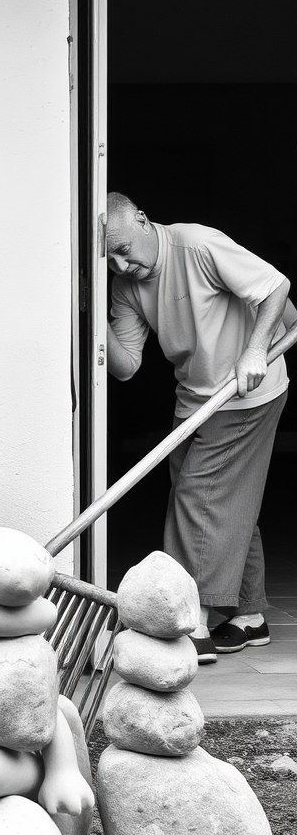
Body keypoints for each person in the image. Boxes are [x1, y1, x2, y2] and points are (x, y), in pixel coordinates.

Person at [105, 191, 294, 665]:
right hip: (195, 399)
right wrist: (85, 314)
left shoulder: (197, 246)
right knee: (229, 500)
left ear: (144, 221)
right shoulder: (125, 286)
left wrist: (254, 349)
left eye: (124, 249)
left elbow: (276, 286)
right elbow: (126, 365)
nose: (122, 265)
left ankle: (191, 623)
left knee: (199, 497)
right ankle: (249, 617)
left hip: (246, 392)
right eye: (109, 259)